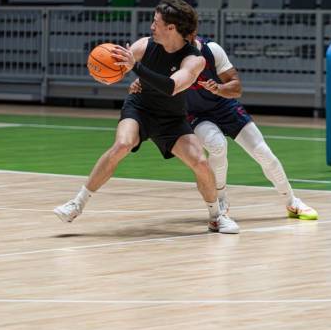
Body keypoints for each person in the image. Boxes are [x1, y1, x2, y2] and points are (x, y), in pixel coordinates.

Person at [54, 0, 239, 234]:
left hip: (171, 117)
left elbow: (172, 86)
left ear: (171, 28)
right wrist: (109, 71)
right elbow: (121, 65)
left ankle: (216, 217)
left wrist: (138, 70)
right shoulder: (144, 45)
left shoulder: (194, 59)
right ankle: (76, 204)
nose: (151, 26)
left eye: (156, 22)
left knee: (201, 163)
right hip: (140, 108)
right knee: (122, 144)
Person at [130, 34, 318, 220]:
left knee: (263, 152)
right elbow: (159, 83)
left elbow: (237, 87)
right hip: (193, 113)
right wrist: (140, 85)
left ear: (190, 34)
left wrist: (219, 88)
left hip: (224, 106)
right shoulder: (166, 54)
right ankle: (220, 199)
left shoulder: (212, 50)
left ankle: (292, 202)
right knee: (217, 145)